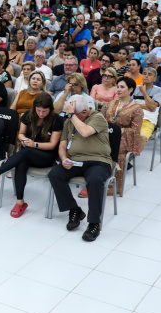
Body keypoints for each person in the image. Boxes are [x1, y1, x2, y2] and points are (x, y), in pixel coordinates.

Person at [0, 92, 61, 217]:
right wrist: (24, 139)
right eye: (38, 110)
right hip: (29, 152)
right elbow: (21, 133)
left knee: (25, 151)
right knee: (21, 162)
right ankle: (20, 201)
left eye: (45, 111)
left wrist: (34, 145)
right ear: (34, 108)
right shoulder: (28, 114)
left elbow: (53, 145)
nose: (41, 114)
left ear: (50, 109)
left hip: (46, 156)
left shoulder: (56, 120)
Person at [48, 94, 113, 242]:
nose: (70, 117)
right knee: (55, 174)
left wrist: (71, 115)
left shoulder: (97, 117)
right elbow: (63, 145)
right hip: (75, 161)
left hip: (98, 161)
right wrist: (64, 158)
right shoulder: (70, 121)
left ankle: (94, 223)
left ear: (84, 112)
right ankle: (75, 210)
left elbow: (84, 132)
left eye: (73, 114)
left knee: (95, 180)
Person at [101, 77, 143, 195]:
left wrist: (118, 130)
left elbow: (135, 130)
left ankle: (114, 186)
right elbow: (102, 122)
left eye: (122, 87)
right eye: (117, 87)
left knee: (117, 151)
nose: (118, 89)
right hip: (106, 134)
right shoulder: (110, 104)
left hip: (123, 138)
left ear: (130, 90)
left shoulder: (137, 109)